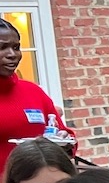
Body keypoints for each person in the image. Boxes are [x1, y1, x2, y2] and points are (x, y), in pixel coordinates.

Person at [0, 19, 74, 174]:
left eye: (16, 47)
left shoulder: (33, 91)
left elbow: (65, 135)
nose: (12, 55)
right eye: (2, 48)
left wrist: (65, 142)